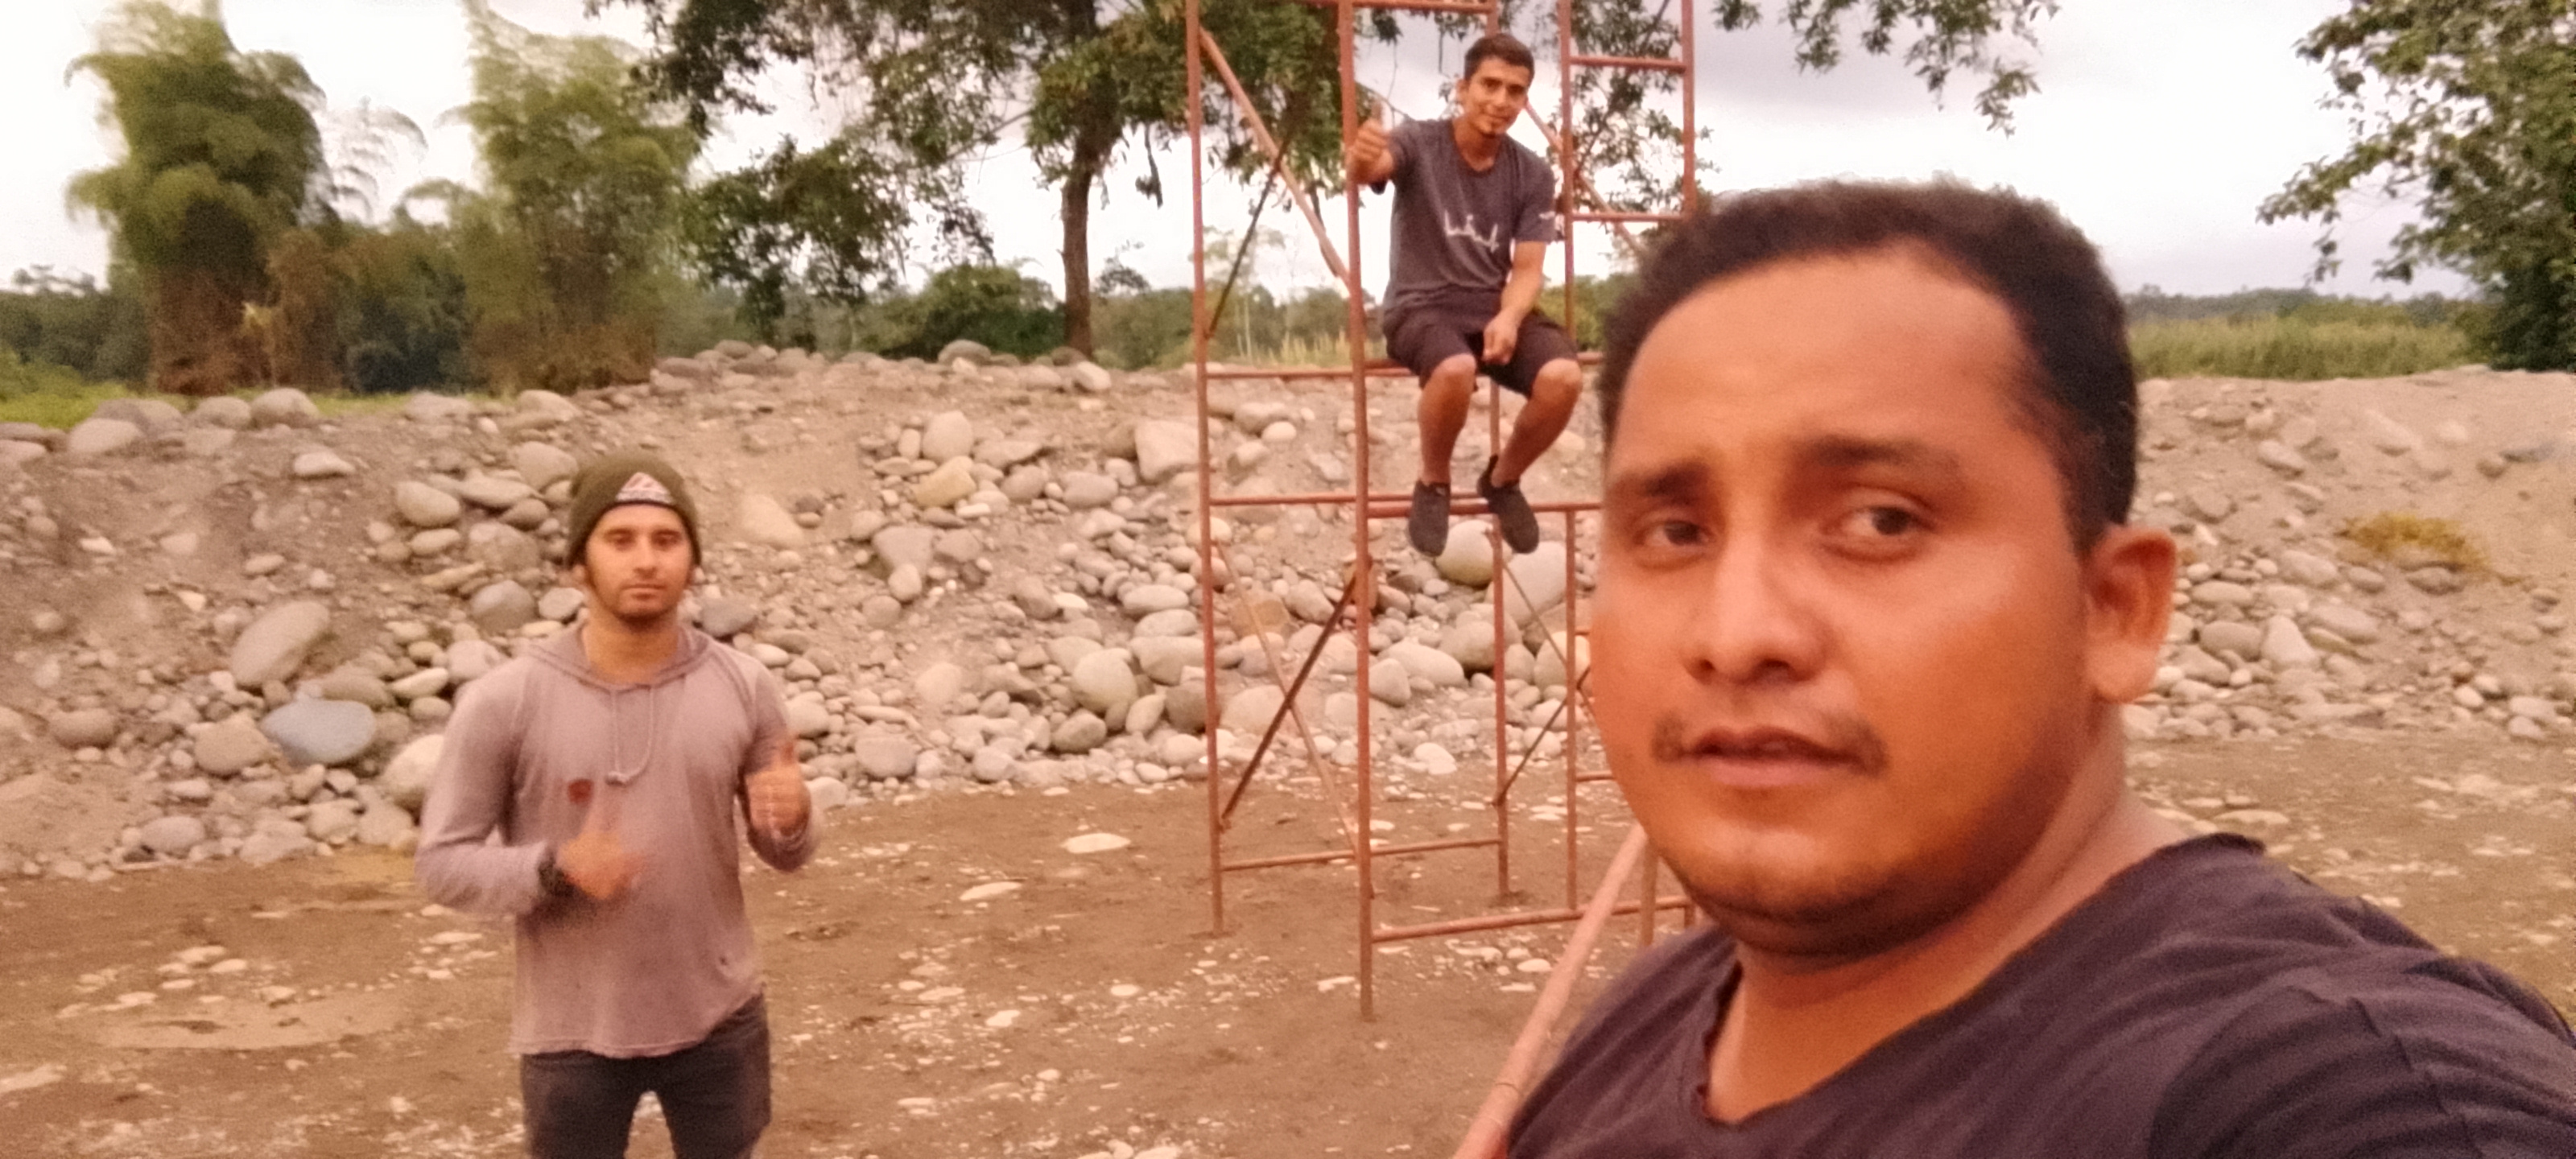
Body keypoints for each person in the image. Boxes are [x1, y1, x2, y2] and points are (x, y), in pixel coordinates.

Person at [1508, 181, 2576, 1156]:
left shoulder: (2331, 1087)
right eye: (1676, 532)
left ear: (2114, 610)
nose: (1737, 633)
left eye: (1880, 521)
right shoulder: (1654, 1012)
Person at [417, 451, 818, 1159]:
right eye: (620, 539)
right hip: (573, 1032)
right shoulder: (505, 701)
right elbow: (441, 864)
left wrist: (793, 818)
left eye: (667, 540)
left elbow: (787, 853)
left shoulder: (744, 685)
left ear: (693, 562)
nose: (646, 560)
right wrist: (556, 867)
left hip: (719, 1013)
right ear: (578, 565)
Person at [1345, 31, 1583, 558]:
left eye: (1514, 91)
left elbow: (1528, 269)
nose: (1500, 101)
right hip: (1419, 306)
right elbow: (1372, 170)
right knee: (1454, 369)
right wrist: (1361, 158)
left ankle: (1502, 480)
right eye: (1489, 85)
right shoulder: (1420, 141)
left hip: (1491, 306)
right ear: (1462, 88)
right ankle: (1434, 482)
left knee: (1564, 378)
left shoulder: (1532, 173)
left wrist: (1511, 317)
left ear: (1524, 100)